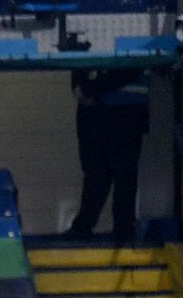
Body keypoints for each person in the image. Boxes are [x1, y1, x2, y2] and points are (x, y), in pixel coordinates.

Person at [64, 68, 150, 246]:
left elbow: (131, 67)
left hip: (125, 108)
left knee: (122, 173)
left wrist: (88, 89)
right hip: (102, 108)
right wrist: (82, 88)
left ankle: (120, 230)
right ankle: (92, 227)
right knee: (97, 172)